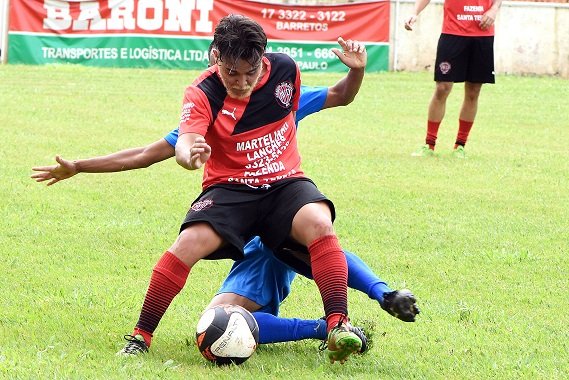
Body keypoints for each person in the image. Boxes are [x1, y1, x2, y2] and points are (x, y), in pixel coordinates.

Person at [31, 26, 419, 359]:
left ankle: (338, 324)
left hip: (284, 187)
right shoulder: (204, 95)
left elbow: (341, 96)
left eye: (249, 72)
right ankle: (140, 336)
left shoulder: (285, 78)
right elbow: (162, 150)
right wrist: (184, 155)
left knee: (318, 221)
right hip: (231, 192)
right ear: (216, 57)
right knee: (192, 251)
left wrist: (358, 72)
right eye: (232, 72)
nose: (241, 81)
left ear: (262, 61)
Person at [405, 0, 502, 158]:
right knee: (442, 87)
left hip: (482, 34)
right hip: (452, 33)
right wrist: (414, 13)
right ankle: (429, 144)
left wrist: (494, 9)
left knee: (473, 91)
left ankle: (460, 146)